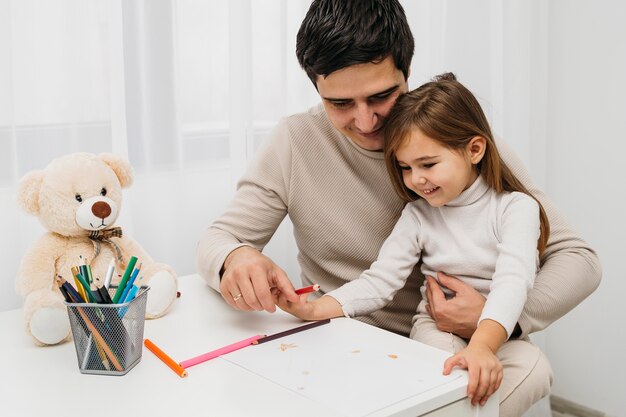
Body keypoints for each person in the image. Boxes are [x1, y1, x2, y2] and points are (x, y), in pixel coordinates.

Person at [196, 0, 601, 415]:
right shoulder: (295, 141)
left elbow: (579, 260)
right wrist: (237, 256)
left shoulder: (453, 140)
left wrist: (496, 321)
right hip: (347, 345)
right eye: (340, 104)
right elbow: (219, 240)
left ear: (407, 72)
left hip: (462, 341)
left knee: (526, 371)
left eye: (381, 96)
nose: (367, 121)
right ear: (316, 88)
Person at [273, 72, 550, 408]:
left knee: (536, 370)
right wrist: (315, 308)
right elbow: (379, 281)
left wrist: (482, 345)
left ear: (474, 150)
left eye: (428, 164)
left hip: (499, 331)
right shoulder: (419, 215)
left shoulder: (516, 209)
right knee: (454, 380)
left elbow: (512, 283)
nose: (416, 179)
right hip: (438, 329)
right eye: (405, 167)